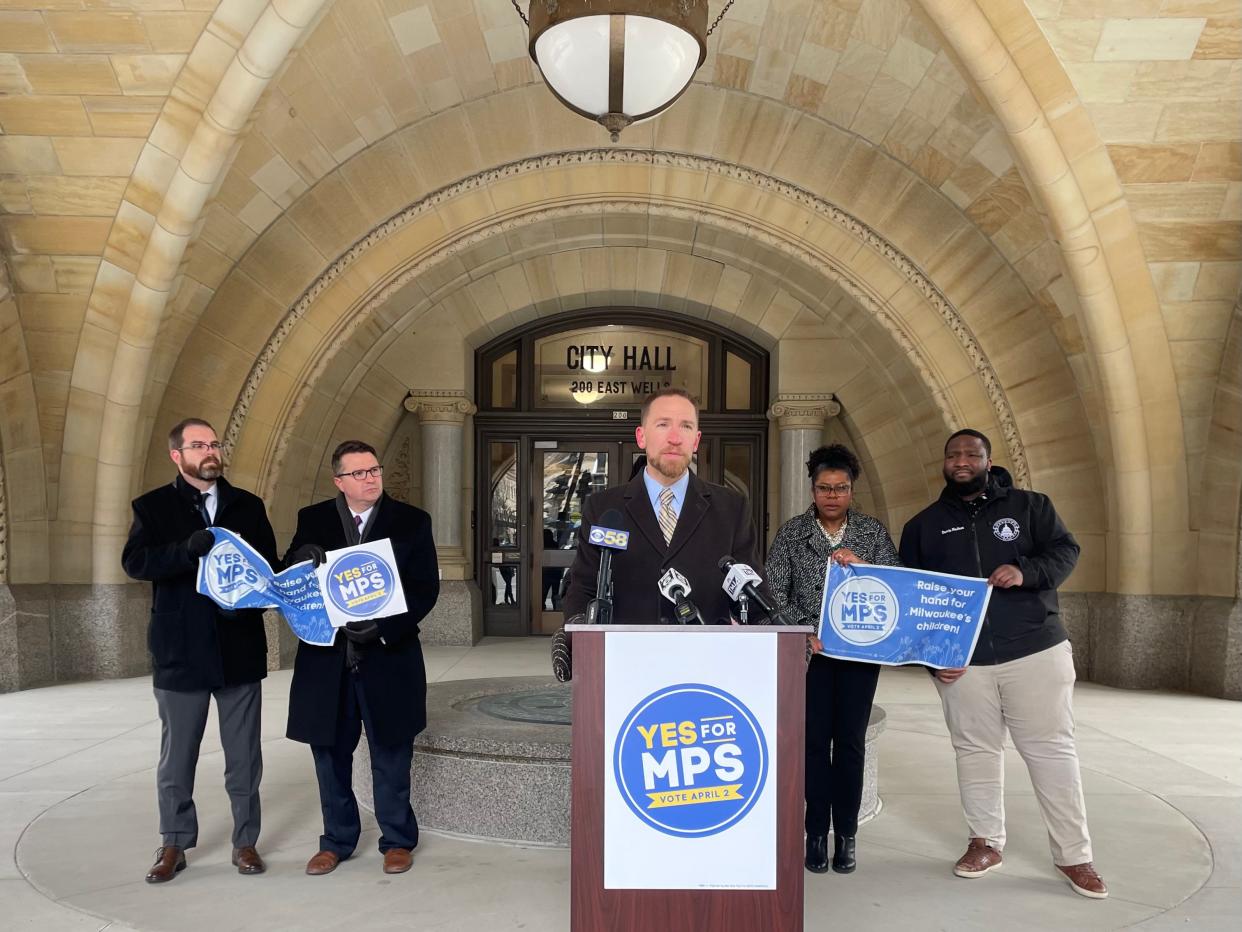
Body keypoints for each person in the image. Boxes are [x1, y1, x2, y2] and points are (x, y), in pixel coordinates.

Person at [899, 429, 1107, 899]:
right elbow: (914, 600)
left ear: (989, 461)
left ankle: (1075, 856)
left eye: (971, 454)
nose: (961, 461)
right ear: (944, 463)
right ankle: (985, 842)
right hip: (964, 664)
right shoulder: (923, 526)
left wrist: (1026, 571)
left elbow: (1066, 551)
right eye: (952, 454)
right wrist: (935, 661)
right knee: (974, 752)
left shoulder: (1031, 507)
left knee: (1051, 751)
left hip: (1035, 650)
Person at [122, 417, 278, 883]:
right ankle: (173, 843)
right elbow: (136, 562)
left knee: (244, 756)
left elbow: (267, 567)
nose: (210, 451)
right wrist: (184, 550)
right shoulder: (152, 506)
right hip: (179, 650)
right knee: (177, 756)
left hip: (239, 647)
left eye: (214, 443)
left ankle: (245, 841)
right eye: (198, 445)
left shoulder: (247, 505)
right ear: (178, 455)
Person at [283, 440, 440, 877]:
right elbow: (289, 582)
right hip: (327, 662)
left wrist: (386, 628)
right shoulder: (312, 519)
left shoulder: (411, 521)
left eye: (374, 470)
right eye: (359, 473)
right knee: (329, 753)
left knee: (391, 751)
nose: (371, 478)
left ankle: (397, 840)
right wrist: (298, 561)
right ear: (339, 481)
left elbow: (425, 587)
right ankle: (336, 841)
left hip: (389, 658)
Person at [766, 444, 899, 875]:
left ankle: (846, 835)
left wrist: (865, 568)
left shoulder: (872, 533)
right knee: (813, 745)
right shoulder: (791, 534)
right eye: (824, 488)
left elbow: (897, 587)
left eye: (841, 488)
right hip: (812, 657)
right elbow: (773, 596)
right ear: (812, 488)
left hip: (859, 657)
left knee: (851, 745)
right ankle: (814, 834)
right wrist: (804, 630)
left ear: (852, 490)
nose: (832, 496)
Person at [561, 387, 766, 627]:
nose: (675, 438)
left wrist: (773, 628)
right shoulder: (603, 508)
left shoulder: (732, 508)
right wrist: (576, 633)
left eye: (686, 426)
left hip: (706, 658)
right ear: (641, 436)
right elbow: (584, 587)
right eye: (663, 425)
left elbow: (753, 591)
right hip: (628, 656)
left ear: (696, 440)